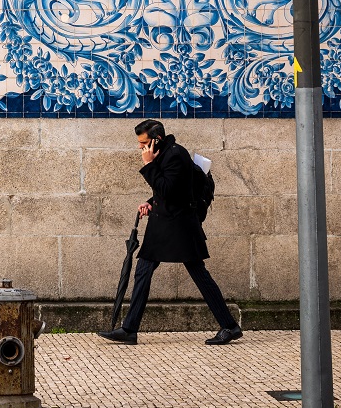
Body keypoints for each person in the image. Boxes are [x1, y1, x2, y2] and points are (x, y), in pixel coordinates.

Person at [99, 119, 242, 346]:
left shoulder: (176, 155)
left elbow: (169, 189)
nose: (140, 147)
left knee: (200, 275)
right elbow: (165, 192)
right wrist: (150, 202)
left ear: (156, 140)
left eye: (144, 143)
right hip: (164, 226)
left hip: (180, 228)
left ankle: (230, 326)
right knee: (143, 270)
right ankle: (129, 329)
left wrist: (148, 165)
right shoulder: (165, 154)